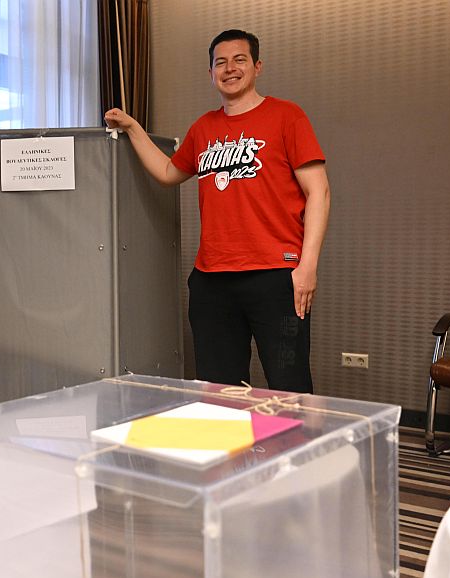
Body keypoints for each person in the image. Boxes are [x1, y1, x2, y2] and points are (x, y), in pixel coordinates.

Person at [105, 29, 330, 393]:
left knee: (289, 390)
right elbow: (167, 173)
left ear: (257, 66)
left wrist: (307, 267)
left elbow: (319, 191)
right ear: (211, 73)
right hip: (212, 281)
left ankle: (289, 436)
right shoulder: (203, 128)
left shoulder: (287, 116)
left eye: (239, 60)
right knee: (219, 391)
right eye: (220, 63)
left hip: (276, 276)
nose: (230, 69)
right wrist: (133, 128)